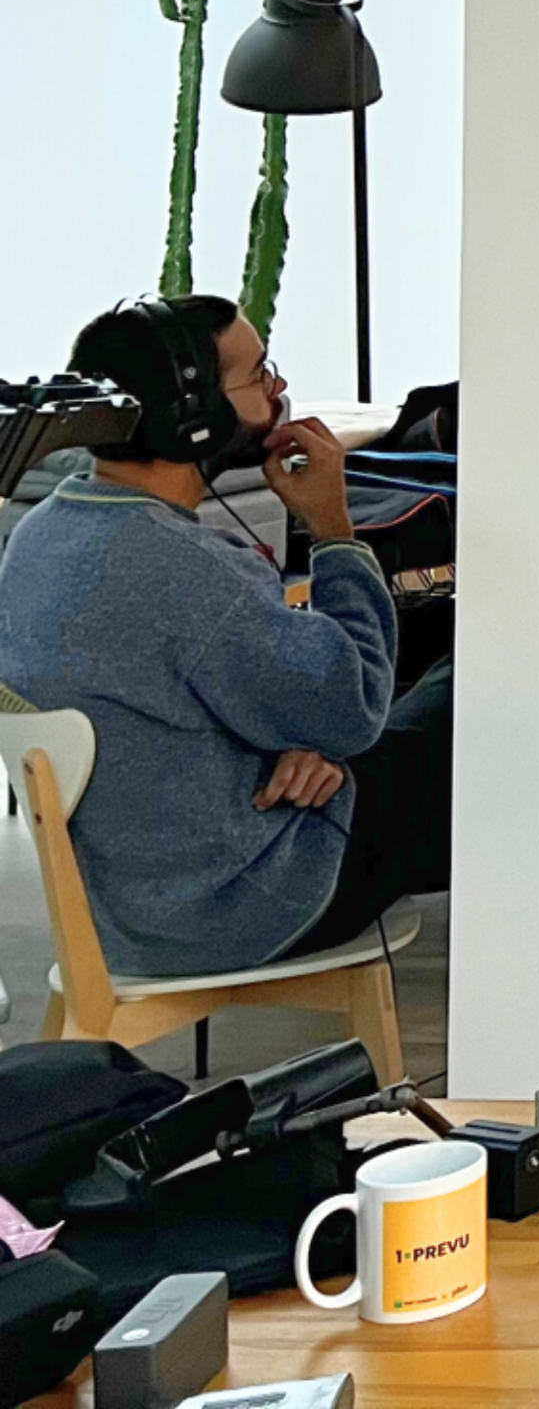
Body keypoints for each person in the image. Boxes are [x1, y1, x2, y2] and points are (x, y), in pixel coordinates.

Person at [0, 296, 451, 978]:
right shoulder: (186, 569)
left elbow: (198, 685)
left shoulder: (39, 536)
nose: (277, 387)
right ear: (195, 418)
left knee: (419, 653)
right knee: (472, 688)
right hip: (241, 908)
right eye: (257, 373)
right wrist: (333, 528)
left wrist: (314, 739)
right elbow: (353, 710)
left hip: (125, 912)